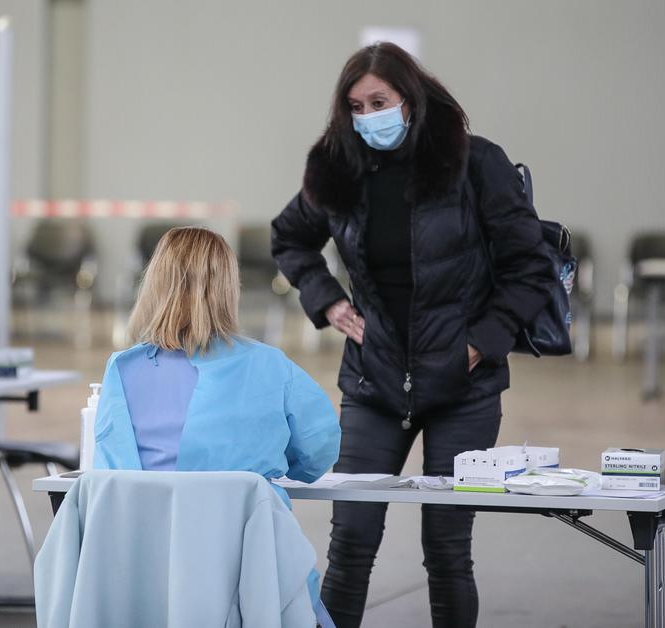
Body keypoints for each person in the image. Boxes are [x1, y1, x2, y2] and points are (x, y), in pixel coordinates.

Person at [271, 42, 557, 627]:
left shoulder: (476, 163)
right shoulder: (338, 170)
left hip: (463, 387)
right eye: (355, 107)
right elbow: (290, 237)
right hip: (372, 382)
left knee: (447, 551)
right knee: (351, 544)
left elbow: (530, 267)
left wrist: (481, 343)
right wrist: (327, 300)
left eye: (379, 102)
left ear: (411, 99)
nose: (367, 117)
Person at [93, 226, 342, 625]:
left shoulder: (121, 370)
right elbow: (318, 452)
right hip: (250, 577)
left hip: (147, 575)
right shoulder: (271, 366)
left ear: (154, 283)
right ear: (228, 288)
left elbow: (110, 473)